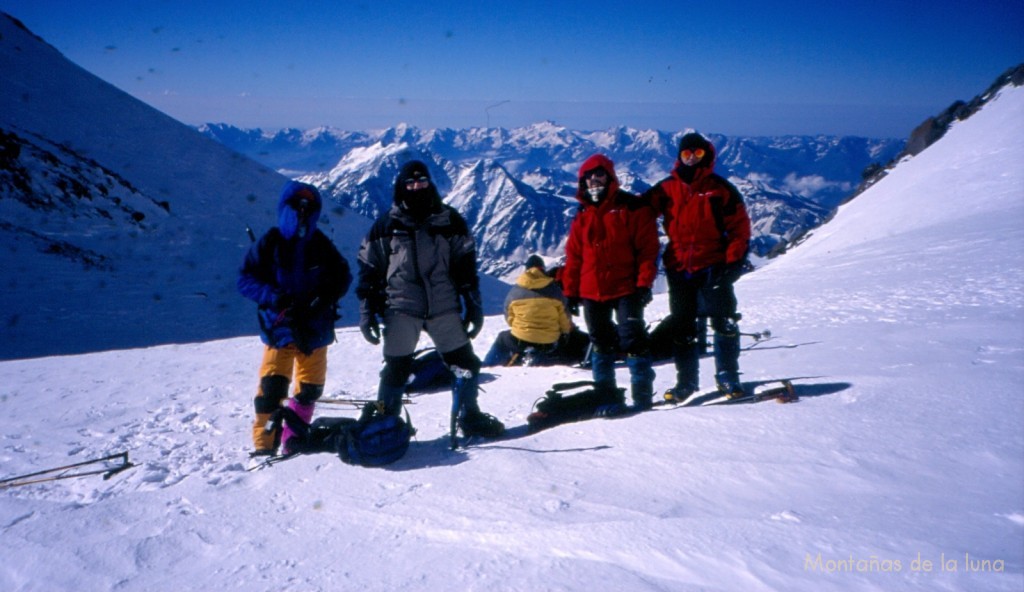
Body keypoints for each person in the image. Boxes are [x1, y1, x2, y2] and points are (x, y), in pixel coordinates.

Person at [356, 160, 504, 439]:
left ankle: (468, 416)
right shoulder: (386, 226)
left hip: (442, 306)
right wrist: (367, 310)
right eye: (410, 183)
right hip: (401, 307)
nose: (416, 187)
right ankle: (386, 425)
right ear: (401, 187)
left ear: (430, 184)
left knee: (466, 363)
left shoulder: (450, 221)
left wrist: (473, 304)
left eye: (421, 181)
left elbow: (466, 267)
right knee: (395, 369)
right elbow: (369, 270)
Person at [238, 180, 352, 456]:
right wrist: (275, 297)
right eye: (296, 204)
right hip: (281, 328)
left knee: (310, 389)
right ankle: (264, 447)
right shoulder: (271, 242)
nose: (302, 210)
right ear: (285, 207)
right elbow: (245, 280)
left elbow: (342, 276)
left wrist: (322, 299)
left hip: (315, 328)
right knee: (271, 390)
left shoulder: (320, 244)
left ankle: (293, 438)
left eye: (308, 206)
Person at [644, 131, 751, 399]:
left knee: (724, 321)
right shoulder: (666, 188)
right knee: (683, 327)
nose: (692, 158)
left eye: (698, 153)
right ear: (680, 156)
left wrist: (733, 261)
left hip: (714, 265)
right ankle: (687, 382)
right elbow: (639, 212)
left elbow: (740, 228)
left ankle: (727, 377)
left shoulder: (720, 189)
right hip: (680, 268)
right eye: (686, 153)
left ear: (707, 155)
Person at [562, 154, 660, 411]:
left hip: (626, 287)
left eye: (600, 174)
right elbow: (574, 256)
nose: (594, 180)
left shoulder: (632, 208)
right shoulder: (582, 214)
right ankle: (607, 397)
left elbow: (648, 250)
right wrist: (570, 292)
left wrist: (643, 284)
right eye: (589, 176)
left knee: (633, 340)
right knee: (600, 341)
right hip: (591, 290)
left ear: (610, 177)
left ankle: (642, 398)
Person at [483, 255, 575, 366]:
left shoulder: (515, 291)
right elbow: (565, 320)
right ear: (543, 269)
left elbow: (509, 318)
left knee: (503, 338)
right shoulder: (555, 291)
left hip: (520, 339)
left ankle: (488, 365)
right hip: (549, 341)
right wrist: (565, 333)